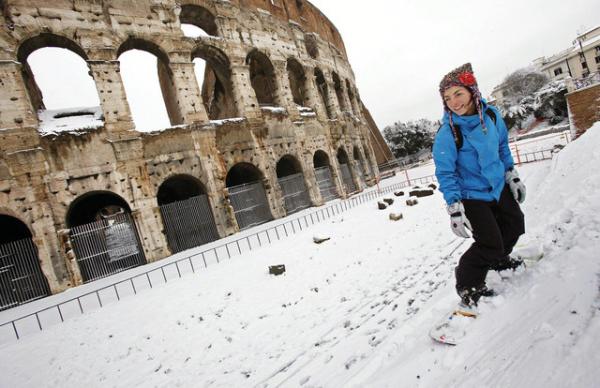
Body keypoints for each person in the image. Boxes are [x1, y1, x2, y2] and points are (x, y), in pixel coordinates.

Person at [432, 63, 527, 307]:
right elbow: (445, 172)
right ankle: (468, 284)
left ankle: (498, 259)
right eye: (447, 98)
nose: (454, 102)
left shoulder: (493, 115)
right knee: (489, 242)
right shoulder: (448, 133)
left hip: (497, 186)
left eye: (458, 94)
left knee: (515, 225)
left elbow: (502, 147)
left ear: (472, 92)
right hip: (472, 195)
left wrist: (511, 174)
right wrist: (454, 207)